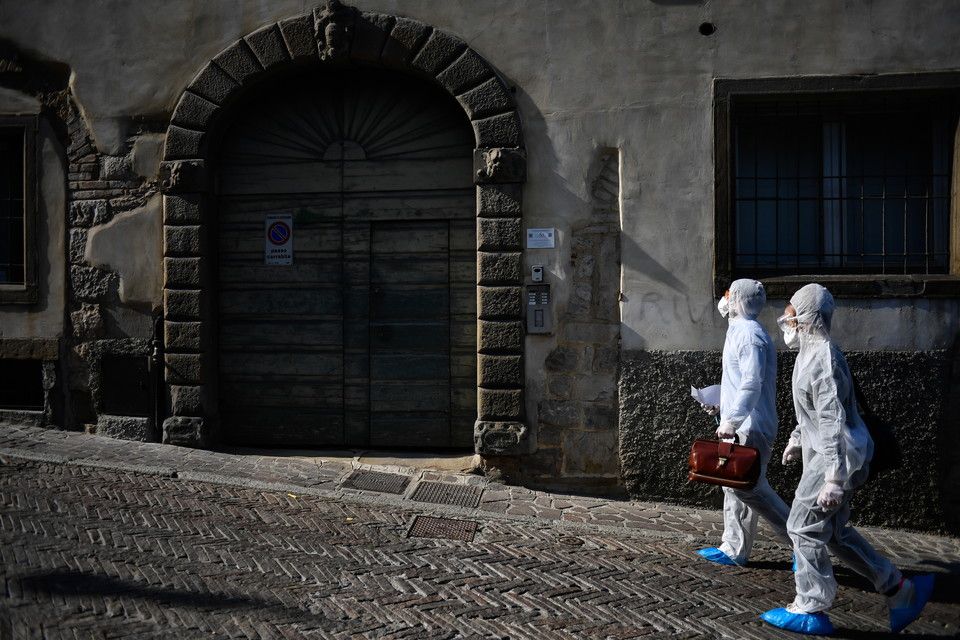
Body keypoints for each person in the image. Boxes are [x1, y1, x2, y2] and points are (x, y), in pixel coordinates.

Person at [761, 283, 933, 635]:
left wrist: (834, 479)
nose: (785, 319)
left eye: (791, 313)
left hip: (835, 457)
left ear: (808, 316)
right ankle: (899, 589)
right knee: (835, 533)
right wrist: (797, 438)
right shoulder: (809, 353)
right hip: (826, 454)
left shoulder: (823, 358)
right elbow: (812, 413)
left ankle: (812, 606)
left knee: (801, 526)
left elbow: (832, 419)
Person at [697, 279, 792, 567]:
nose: (724, 298)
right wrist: (720, 406)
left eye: (729, 293)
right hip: (741, 422)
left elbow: (752, 383)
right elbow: (738, 382)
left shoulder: (750, 335)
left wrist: (732, 419)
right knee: (733, 484)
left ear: (738, 298)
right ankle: (734, 547)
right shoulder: (739, 330)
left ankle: (803, 543)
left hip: (752, 425)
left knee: (751, 488)